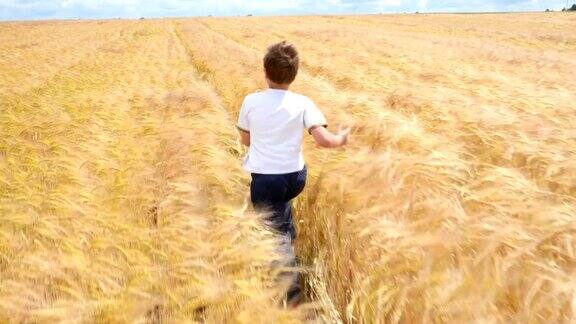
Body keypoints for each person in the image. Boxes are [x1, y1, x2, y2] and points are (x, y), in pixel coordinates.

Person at [236, 41, 349, 304]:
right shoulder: (303, 102)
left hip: (266, 179)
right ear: (294, 74)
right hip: (295, 177)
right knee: (282, 212)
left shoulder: (251, 101)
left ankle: (291, 296)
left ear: (265, 72)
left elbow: (245, 140)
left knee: (274, 234)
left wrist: (266, 140)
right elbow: (323, 140)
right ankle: (289, 236)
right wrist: (342, 139)